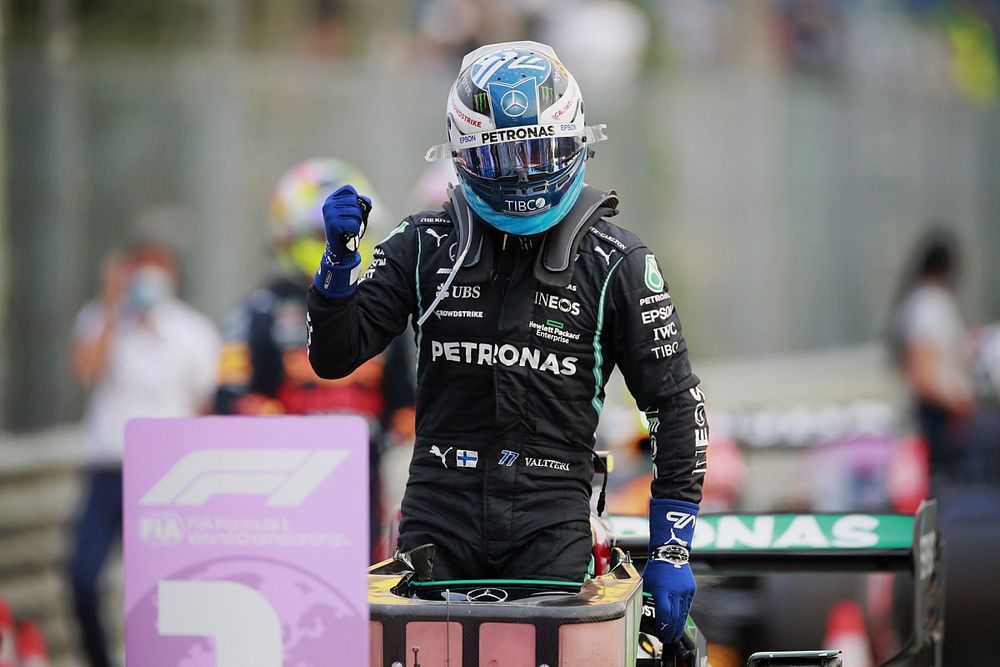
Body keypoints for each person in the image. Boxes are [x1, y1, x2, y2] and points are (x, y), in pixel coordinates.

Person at [306, 41, 707, 646]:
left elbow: (677, 405)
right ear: (463, 155)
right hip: (439, 517)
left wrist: (672, 549)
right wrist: (336, 270)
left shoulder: (618, 263)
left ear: (574, 142)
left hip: (551, 521)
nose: (522, 173)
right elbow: (334, 356)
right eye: (502, 158)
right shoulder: (424, 244)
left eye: (538, 152)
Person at [214, 158, 415, 559]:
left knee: (361, 599)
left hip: (362, 485)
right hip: (281, 488)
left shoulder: (379, 311)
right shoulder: (259, 311)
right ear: (287, 235)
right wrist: (298, 437)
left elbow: (407, 404)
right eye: (318, 233)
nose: (336, 239)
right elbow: (229, 398)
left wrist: (376, 439)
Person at [69, 239, 220, 667]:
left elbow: (207, 407)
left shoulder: (193, 332)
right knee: (83, 575)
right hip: (107, 470)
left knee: (163, 585)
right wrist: (111, 307)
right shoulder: (100, 319)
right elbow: (85, 369)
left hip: (166, 477)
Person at [889, 227, 974, 490]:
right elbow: (922, 371)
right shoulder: (928, 305)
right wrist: (956, 402)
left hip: (939, 411)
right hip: (937, 413)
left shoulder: (919, 302)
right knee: (943, 487)